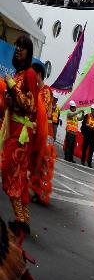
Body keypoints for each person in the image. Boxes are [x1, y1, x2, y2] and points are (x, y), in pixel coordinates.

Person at [0, 36, 46, 240]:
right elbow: (16, 102)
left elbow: (30, 106)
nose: (18, 49)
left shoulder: (28, 74)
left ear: (29, 53)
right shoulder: (19, 73)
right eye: (17, 46)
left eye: (23, 47)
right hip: (14, 127)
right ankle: (24, 220)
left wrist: (11, 86)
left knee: (10, 173)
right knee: (16, 176)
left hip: (21, 133)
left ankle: (20, 220)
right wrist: (10, 98)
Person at [29, 62, 56, 206]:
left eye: (33, 75)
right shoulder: (35, 91)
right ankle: (35, 191)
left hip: (47, 131)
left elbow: (43, 112)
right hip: (37, 129)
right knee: (35, 160)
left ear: (38, 74)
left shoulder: (46, 91)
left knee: (44, 162)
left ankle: (41, 194)